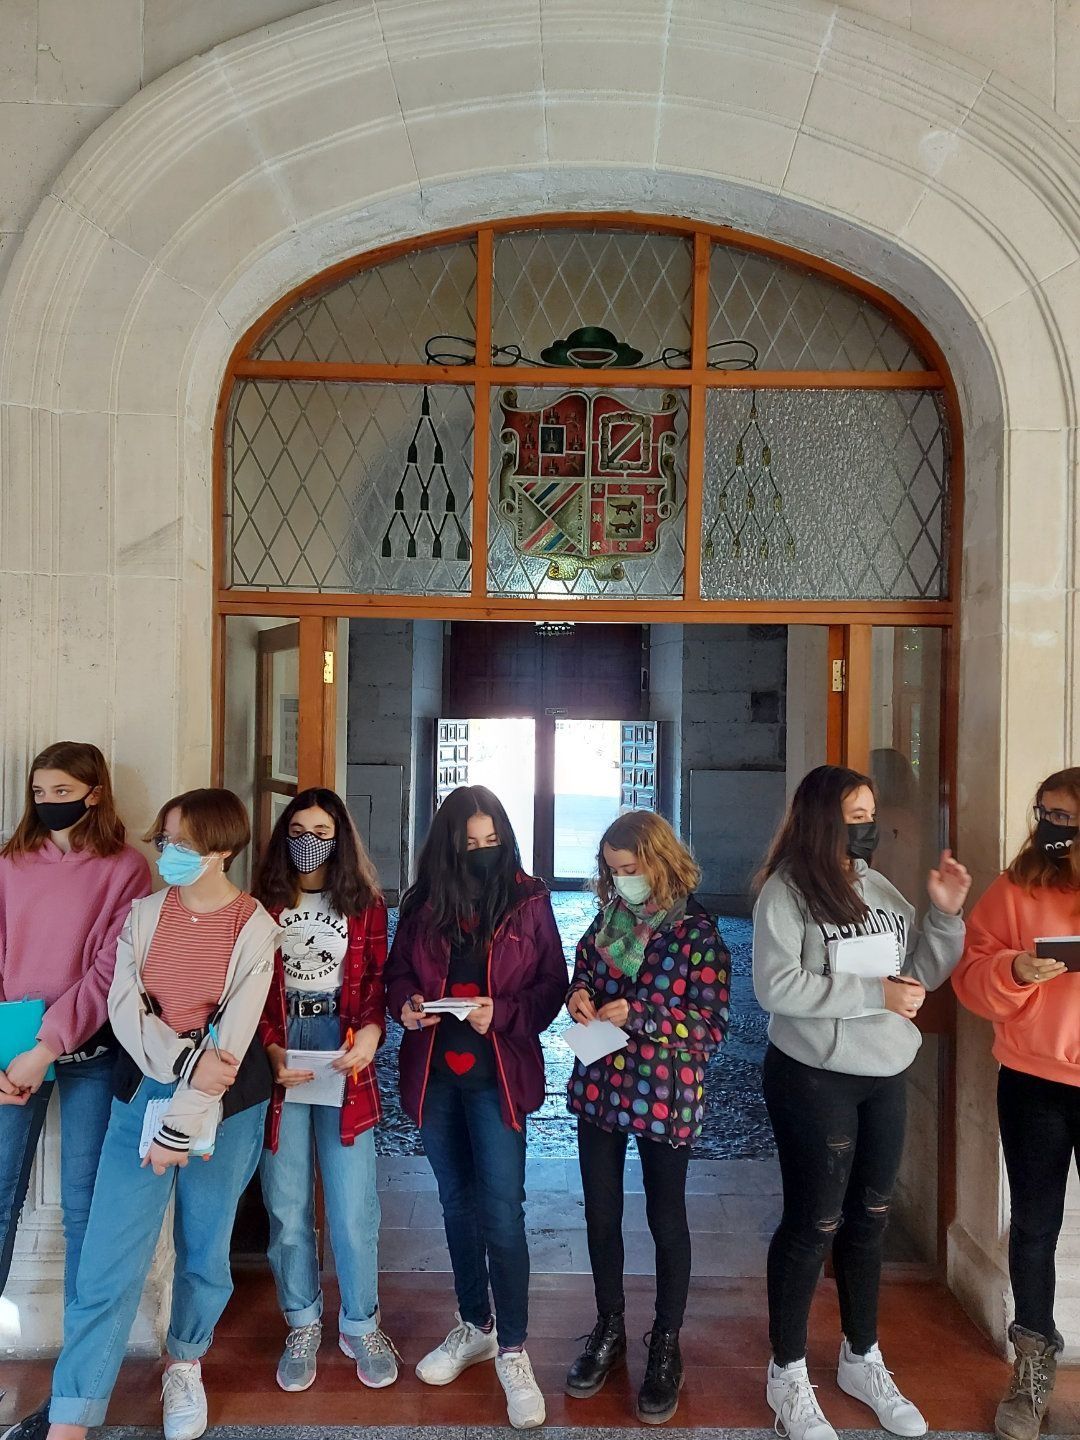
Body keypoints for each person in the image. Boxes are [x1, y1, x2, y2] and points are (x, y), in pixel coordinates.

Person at [2, 788, 279, 1440]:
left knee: (204, 1251)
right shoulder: (143, 914)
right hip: (141, 1094)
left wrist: (182, 1121)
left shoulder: (255, 926)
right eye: (164, 841)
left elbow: (232, 1039)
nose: (168, 854)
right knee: (106, 1260)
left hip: (229, 1105)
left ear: (222, 849)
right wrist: (183, 1067)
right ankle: (71, 1416)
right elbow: (127, 1012)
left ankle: (184, 1361)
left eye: (182, 844)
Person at [752, 765, 970, 1440]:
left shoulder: (876, 888)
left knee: (869, 1219)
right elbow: (776, 987)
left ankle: (860, 1356)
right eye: (856, 814)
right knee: (813, 1223)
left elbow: (921, 973)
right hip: (814, 1077)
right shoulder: (785, 894)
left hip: (884, 1071)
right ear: (823, 819)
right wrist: (871, 996)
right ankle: (787, 1371)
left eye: (871, 813)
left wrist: (944, 915)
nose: (868, 826)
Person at [384, 785, 566, 1431]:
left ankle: (514, 1348)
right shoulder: (424, 902)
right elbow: (397, 971)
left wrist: (507, 1013)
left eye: (493, 841)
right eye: (471, 843)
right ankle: (474, 1325)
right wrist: (404, 1003)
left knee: (502, 1208)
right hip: (436, 1076)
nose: (483, 852)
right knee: (456, 1203)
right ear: (449, 844)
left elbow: (552, 984)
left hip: (499, 1076)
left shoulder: (529, 900)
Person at [564, 811, 730, 1425]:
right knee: (601, 1212)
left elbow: (710, 1029)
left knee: (667, 1219)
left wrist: (639, 1014)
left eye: (630, 870)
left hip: (666, 1091)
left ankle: (666, 1344)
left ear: (659, 862)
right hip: (601, 1083)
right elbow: (582, 971)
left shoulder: (698, 933)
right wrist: (578, 997)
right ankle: (607, 1328)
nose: (623, 881)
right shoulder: (609, 921)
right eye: (613, 872)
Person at [254, 788, 397, 1393]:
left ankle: (361, 1322)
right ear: (285, 834)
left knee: (352, 1203)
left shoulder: (364, 904)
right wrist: (269, 1047)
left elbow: (378, 985)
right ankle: (303, 1318)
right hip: (284, 1046)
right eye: (300, 827)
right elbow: (249, 991)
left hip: (341, 1051)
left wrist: (370, 1031)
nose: (311, 839)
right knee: (286, 1204)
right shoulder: (261, 906)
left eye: (323, 829)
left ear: (341, 838)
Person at [0, 742, 151, 1315]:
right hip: (10, 1044)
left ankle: (78, 1367)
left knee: (85, 1202)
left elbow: (110, 971)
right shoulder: (9, 864)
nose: (49, 803)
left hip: (89, 1048)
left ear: (95, 792)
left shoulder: (127, 868)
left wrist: (49, 1046)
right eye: (40, 793)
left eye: (62, 792)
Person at [952, 768, 1080, 1440]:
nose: (1051, 830)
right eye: (1044, 815)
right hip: (1035, 1082)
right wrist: (1014, 971)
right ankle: (1031, 1369)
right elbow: (971, 974)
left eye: (1065, 818)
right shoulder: (1017, 886)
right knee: (1033, 1227)